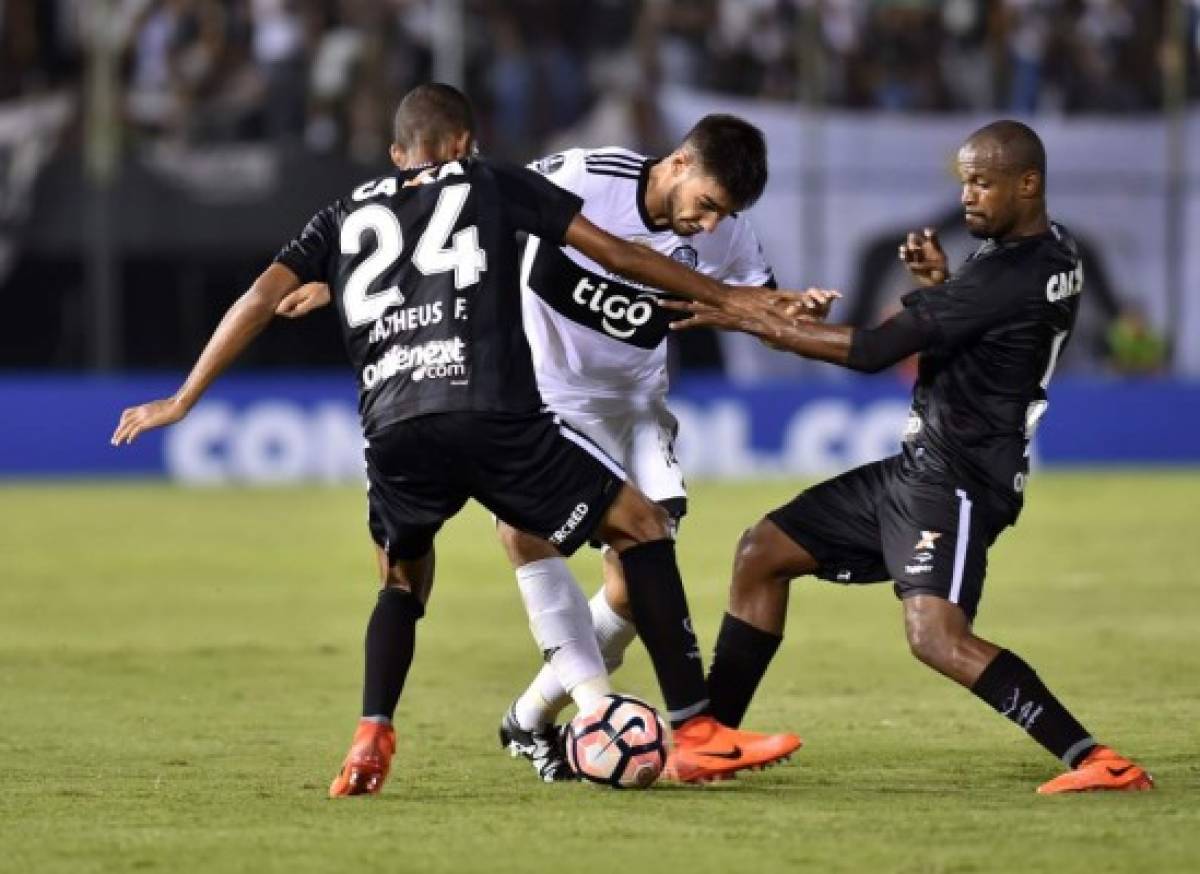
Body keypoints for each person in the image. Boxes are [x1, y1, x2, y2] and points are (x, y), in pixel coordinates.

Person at [111, 82, 800, 795]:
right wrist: (733, 299)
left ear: (396, 153)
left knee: (403, 582)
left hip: (392, 429)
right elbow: (619, 256)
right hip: (488, 406)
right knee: (639, 525)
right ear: (466, 145)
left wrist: (184, 396)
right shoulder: (491, 180)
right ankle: (691, 729)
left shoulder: (343, 213)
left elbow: (258, 299)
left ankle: (371, 737)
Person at [279, 116, 823, 783]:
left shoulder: (731, 236)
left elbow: (757, 309)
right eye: (706, 206)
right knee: (527, 538)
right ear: (679, 164)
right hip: (545, 396)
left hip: (634, 407)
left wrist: (788, 319)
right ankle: (648, 722)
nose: (710, 227)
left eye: (723, 216)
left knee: (630, 588)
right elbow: (450, 222)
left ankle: (531, 716)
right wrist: (337, 280)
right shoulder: (583, 177)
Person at [664, 120, 1153, 794]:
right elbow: (990, 329)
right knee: (761, 553)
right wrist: (944, 283)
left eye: (982, 182)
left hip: (958, 480)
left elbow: (870, 353)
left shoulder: (1010, 272)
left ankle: (1096, 759)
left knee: (936, 637)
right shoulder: (1048, 251)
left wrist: (755, 319)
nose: (968, 198)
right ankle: (709, 738)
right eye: (964, 182)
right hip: (922, 466)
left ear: (1028, 182)